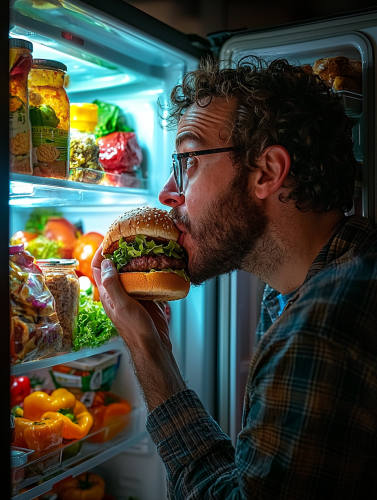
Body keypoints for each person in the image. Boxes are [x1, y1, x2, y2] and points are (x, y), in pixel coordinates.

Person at [92, 57, 377, 499]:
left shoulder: (322, 328)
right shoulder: (300, 287)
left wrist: (148, 351)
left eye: (187, 160)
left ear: (266, 172)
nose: (168, 192)